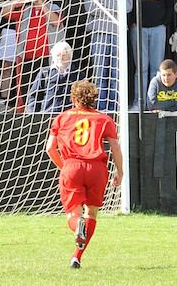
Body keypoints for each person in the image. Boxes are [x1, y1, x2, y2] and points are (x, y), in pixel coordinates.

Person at [45, 79, 123, 269]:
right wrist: (120, 172)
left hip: (72, 166)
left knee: (74, 214)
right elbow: (115, 148)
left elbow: (49, 148)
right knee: (92, 214)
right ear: (94, 98)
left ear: (73, 98)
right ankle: (76, 257)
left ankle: (77, 225)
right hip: (97, 168)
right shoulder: (104, 119)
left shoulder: (62, 118)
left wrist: (64, 167)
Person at [1, 0, 63, 112]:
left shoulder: (53, 7)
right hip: (27, 58)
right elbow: (4, 13)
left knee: (46, 88)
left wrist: (42, 5)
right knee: (27, 89)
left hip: (47, 58)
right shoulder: (25, 9)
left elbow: (57, 21)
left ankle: (44, 112)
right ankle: (28, 113)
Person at [85, 0, 133, 111]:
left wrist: (102, 3)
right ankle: (100, 107)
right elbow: (89, 8)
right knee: (99, 73)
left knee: (116, 75)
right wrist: (115, 6)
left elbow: (128, 6)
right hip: (99, 33)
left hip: (118, 34)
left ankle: (115, 108)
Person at [129, 0, 174, 110]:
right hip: (139, 29)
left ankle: (155, 103)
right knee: (141, 69)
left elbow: (170, 3)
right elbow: (129, 3)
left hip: (158, 29)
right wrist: (132, 23)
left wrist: (164, 24)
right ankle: (139, 103)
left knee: (157, 69)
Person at [26, 41, 83, 113]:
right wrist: (34, 116)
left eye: (63, 55)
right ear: (53, 57)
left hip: (70, 117)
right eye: (58, 55)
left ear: (69, 56)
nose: (60, 58)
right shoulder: (45, 73)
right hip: (47, 116)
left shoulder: (78, 74)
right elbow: (33, 96)